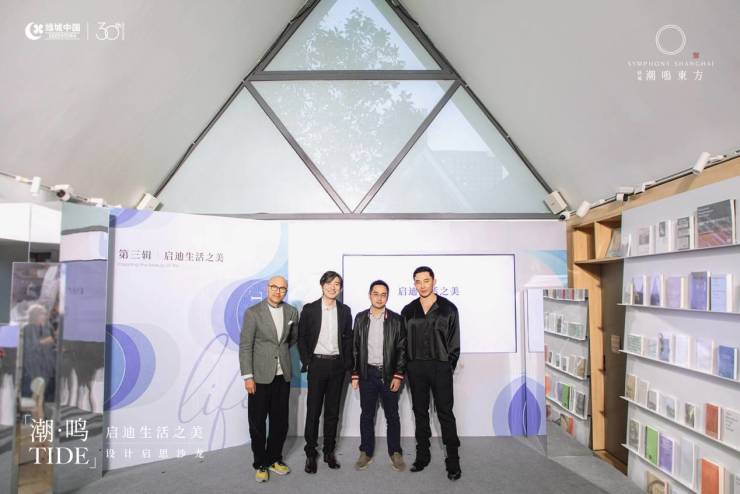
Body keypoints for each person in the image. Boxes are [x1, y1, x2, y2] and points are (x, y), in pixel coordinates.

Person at [401, 266, 462, 480]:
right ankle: (422, 456)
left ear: (434, 281)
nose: (422, 285)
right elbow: (402, 343)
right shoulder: (408, 310)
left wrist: (447, 367)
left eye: (426, 281)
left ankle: (453, 461)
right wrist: (406, 368)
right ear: (414, 284)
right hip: (416, 368)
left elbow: (454, 344)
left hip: (440, 367)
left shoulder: (449, 309)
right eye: (418, 282)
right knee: (420, 413)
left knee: (445, 413)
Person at [239, 276, 299, 483]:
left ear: (286, 291)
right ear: (267, 288)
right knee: (257, 422)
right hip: (259, 376)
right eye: (274, 287)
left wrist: (279, 353)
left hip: (283, 376)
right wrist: (248, 376)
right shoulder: (253, 313)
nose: (278, 291)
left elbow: (292, 339)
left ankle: (274, 459)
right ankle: (260, 463)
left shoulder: (292, 312)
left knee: (280, 422)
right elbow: (245, 346)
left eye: (282, 288)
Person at [298, 270, 353, 473]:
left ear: (340, 288)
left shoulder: (345, 311)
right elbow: (301, 338)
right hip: (317, 365)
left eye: (337, 284)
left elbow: (348, 340)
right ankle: (311, 453)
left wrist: (347, 365)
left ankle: (329, 451)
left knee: (332, 412)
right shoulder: (310, 309)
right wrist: (308, 362)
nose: (332, 287)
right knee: (313, 411)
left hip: (337, 366)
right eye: (329, 283)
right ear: (322, 285)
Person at [350, 280, 407, 472]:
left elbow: (402, 349)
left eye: (383, 295)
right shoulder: (360, 318)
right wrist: (355, 373)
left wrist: (398, 375)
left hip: (389, 374)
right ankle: (366, 452)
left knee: (393, 415)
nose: (379, 298)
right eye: (376, 294)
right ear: (369, 295)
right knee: (367, 415)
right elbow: (355, 348)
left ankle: (395, 452)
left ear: (387, 297)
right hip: (367, 374)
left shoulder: (396, 320)